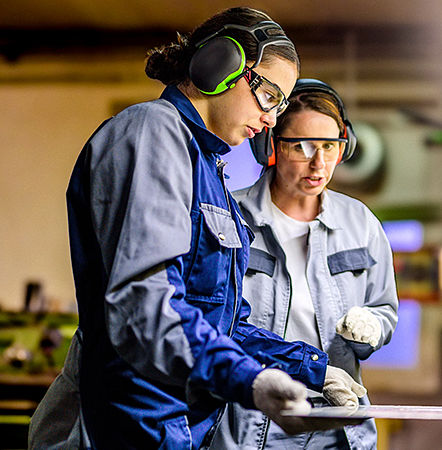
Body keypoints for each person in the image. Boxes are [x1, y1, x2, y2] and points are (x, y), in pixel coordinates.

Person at [28, 7, 366, 450]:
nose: (270, 119)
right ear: (220, 65)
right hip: (119, 426)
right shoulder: (152, 133)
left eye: (280, 106)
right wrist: (250, 380)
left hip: (166, 428)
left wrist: (313, 368)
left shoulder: (209, 170)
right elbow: (145, 307)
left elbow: (222, 324)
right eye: (268, 97)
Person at [209, 79, 399, 450]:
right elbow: (217, 324)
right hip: (253, 422)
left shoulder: (361, 224)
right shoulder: (229, 217)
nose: (319, 162)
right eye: (302, 146)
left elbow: (385, 310)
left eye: (330, 146)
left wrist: (373, 326)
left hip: (339, 423)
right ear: (270, 146)